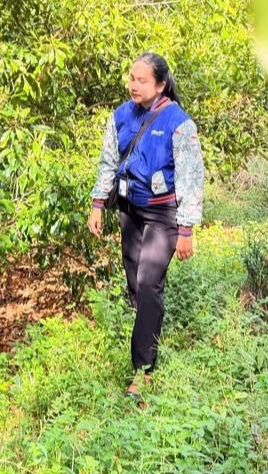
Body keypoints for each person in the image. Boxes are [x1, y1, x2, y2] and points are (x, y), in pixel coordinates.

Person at [86, 52, 204, 400]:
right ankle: (148, 328)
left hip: (163, 215)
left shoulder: (178, 123)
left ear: (160, 84)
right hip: (130, 209)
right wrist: (97, 204)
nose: (132, 85)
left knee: (149, 282)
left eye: (141, 80)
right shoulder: (121, 115)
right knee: (136, 285)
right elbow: (109, 161)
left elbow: (191, 178)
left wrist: (186, 229)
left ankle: (142, 371)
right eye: (131, 78)